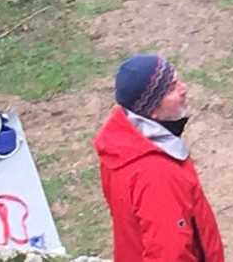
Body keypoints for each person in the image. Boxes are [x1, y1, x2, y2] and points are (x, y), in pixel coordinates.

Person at [93, 54, 224, 262]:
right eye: (171, 89)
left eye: (178, 80)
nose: (184, 89)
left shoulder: (119, 147)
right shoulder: (157, 174)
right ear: (151, 109)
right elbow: (170, 254)